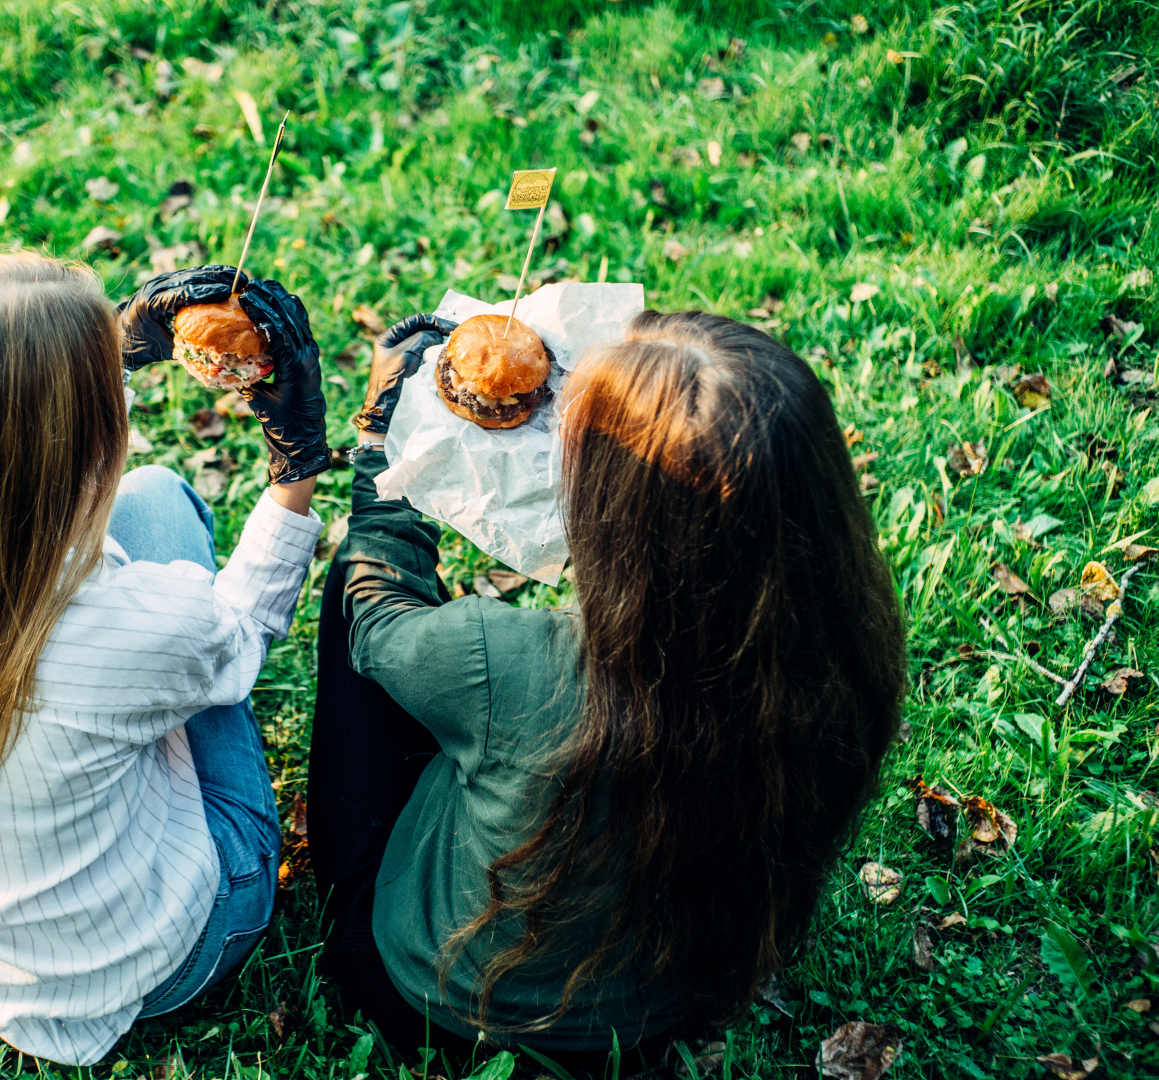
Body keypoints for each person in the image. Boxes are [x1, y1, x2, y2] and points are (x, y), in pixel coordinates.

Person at [311, 310, 906, 1073]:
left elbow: (379, 613)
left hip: (442, 1001)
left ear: (624, 513)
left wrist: (378, 446)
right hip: (665, 1006)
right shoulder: (841, 652)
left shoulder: (503, 661)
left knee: (356, 597)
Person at [0, 254, 328, 1066]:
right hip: (147, 962)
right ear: (71, 445)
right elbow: (247, 626)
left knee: (145, 501)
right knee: (183, 561)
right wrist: (297, 466)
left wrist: (98, 349)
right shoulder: (136, 630)